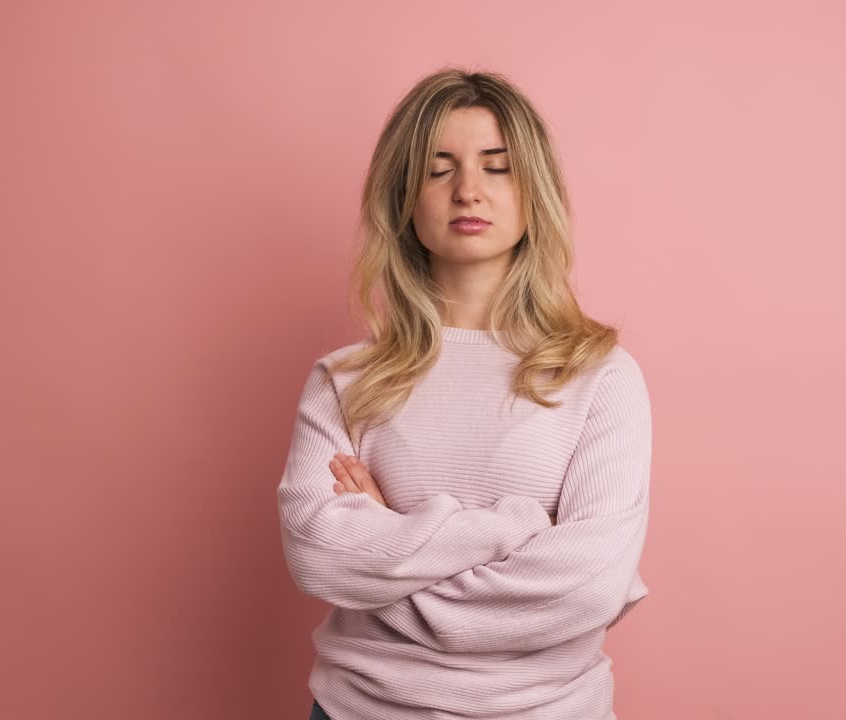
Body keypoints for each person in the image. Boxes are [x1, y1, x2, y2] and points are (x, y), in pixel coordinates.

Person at [278, 66, 651, 720]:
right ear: (404, 197)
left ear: (534, 191)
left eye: (497, 167)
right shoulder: (344, 380)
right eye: (438, 168)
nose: (468, 191)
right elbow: (318, 557)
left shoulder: (602, 375)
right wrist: (513, 530)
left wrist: (390, 542)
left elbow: (587, 587)